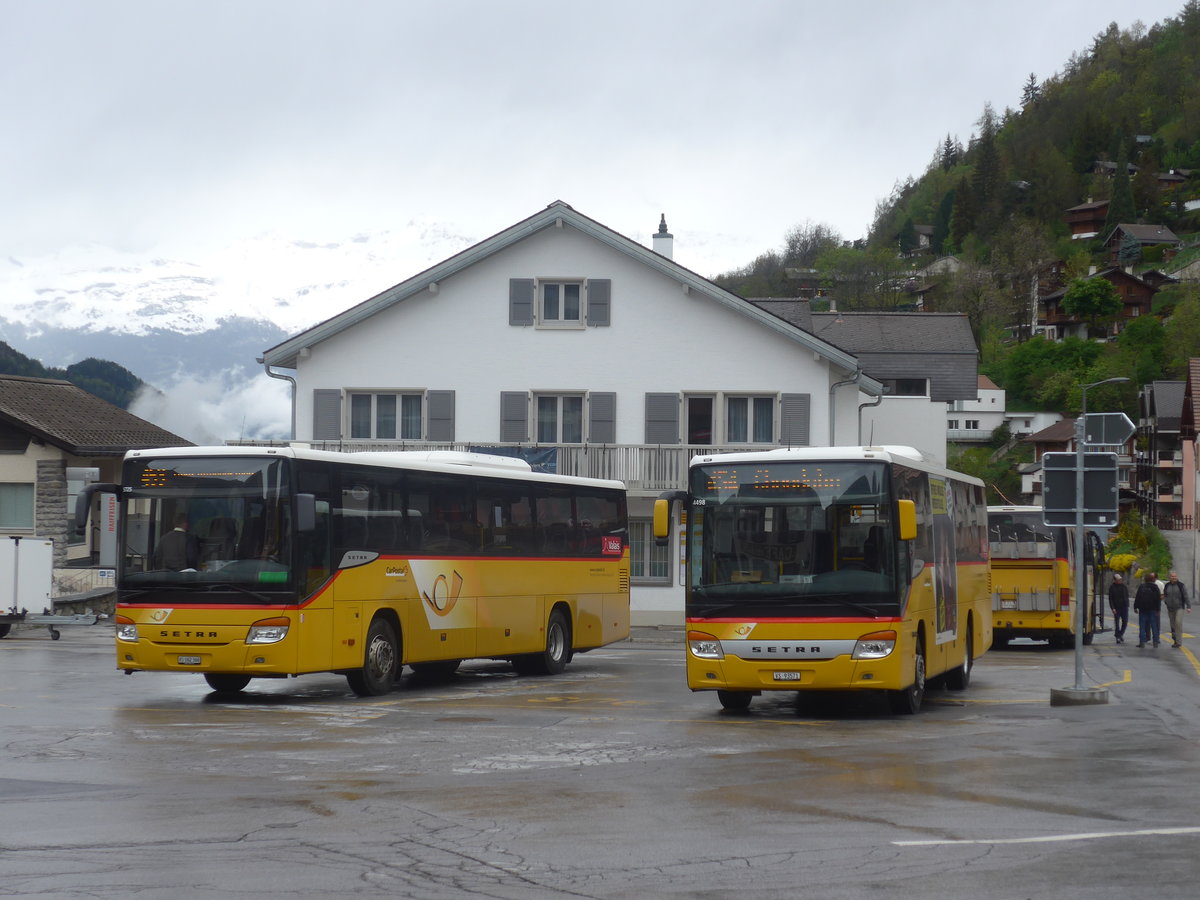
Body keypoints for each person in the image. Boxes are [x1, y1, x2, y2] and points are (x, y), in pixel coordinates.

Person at [1162, 570, 1191, 649]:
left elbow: (1186, 596)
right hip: (1170, 608)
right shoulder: (1167, 585)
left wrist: (1188, 606)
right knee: (1172, 625)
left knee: (1178, 622)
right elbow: (1165, 595)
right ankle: (1175, 639)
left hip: (1179, 607)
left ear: (1177, 577)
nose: (1174, 578)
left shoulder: (1181, 585)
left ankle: (1179, 641)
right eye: (1172, 576)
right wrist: (1165, 601)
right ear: (1169, 577)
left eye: (1175, 576)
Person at [1133, 571, 1162, 648]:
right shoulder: (1155, 587)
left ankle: (1142, 642)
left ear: (1145, 579)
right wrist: (1158, 609)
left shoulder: (1142, 587)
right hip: (1152, 609)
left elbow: (1138, 597)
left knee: (1142, 626)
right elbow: (1158, 599)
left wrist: (1135, 607)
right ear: (1152, 579)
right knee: (1154, 626)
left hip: (1143, 609)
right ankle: (1155, 642)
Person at [1108, 573, 1129, 644]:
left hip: (1124, 606)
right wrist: (1113, 608)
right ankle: (1118, 637)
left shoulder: (1123, 586)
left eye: (1120, 579)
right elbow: (1110, 599)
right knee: (1117, 622)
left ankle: (1120, 634)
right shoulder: (1112, 587)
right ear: (1115, 580)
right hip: (1116, 607)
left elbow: (1126, 595)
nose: (1120, 580)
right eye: (1118, 579)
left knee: (1125, 622)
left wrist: (1127, 604)